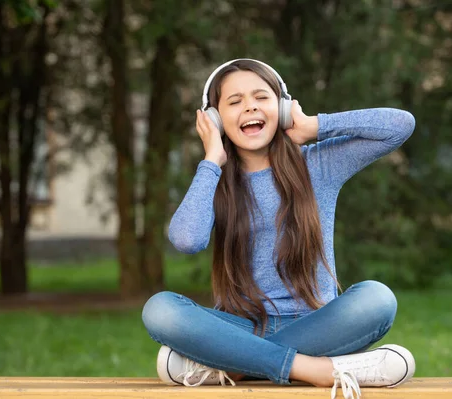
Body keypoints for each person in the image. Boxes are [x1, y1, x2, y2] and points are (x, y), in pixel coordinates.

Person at [141, 59, 416, 399]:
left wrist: (314, 125)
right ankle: (316, 370)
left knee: (378, 298)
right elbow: (186, 239)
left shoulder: (317, 163)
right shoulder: (213, 181)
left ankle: (231, 366)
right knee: (160, 309)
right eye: (235, 101)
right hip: (242, 326)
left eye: (261, 97)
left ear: (282, 108)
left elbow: (399, 125)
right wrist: (211, 160)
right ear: (214, 119)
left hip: (316, 325)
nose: (250, 106)